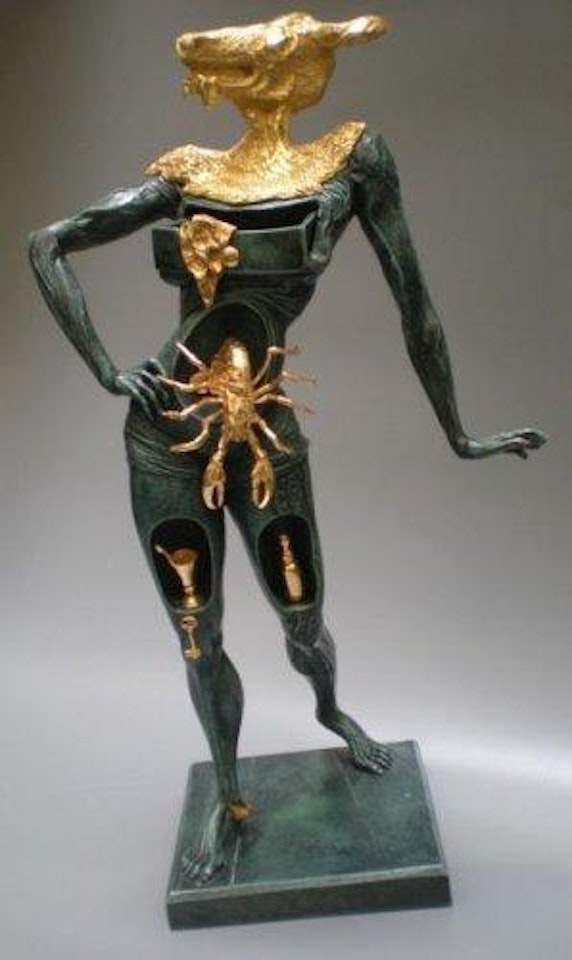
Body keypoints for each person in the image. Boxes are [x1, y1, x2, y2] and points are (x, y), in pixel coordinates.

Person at [28, 12, 545, 883]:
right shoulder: (190, 174)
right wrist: (110, 370)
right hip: (166, 436)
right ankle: (231, 796)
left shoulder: (350, 163)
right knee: (197, 631)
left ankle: (331, 710)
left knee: (302, 617)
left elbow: (415, 306)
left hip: (267, 433)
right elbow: (48, 245)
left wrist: (459, 434)